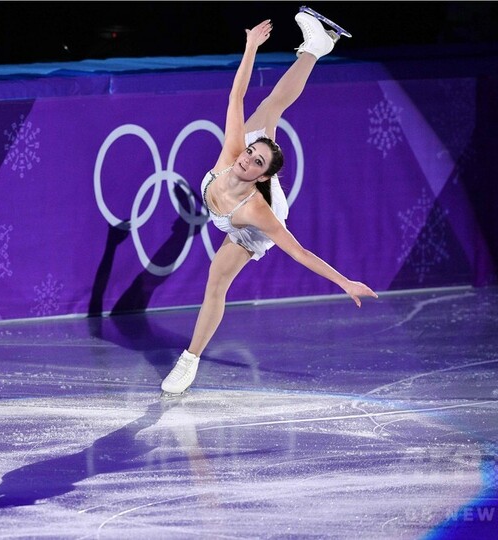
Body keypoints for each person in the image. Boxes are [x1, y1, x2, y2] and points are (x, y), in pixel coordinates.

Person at [160, 9, 379, 396]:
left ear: (263, 175)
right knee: (267, 112)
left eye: (256, 161)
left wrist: (344, 282)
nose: (246, 157)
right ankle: (315, 48)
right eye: (249, 152)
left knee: (216, 282)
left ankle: (189, 360)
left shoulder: (256, 212)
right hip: (235, 199)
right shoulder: (233, 152)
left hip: (252, 219)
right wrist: (249, 48)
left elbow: (299, 253)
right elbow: (237, 95)